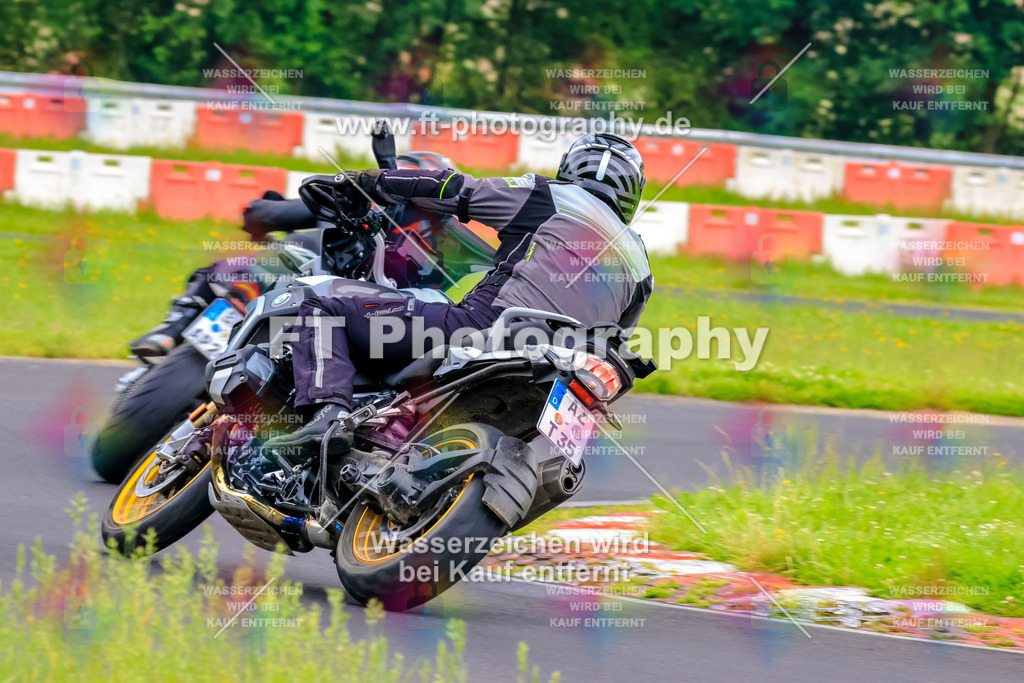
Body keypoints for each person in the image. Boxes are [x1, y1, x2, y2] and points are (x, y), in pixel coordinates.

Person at [265, 132, 654, 456]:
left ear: (568, 168)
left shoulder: (547, 195)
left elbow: (452, 188)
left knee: (324, 306)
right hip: (562, 377)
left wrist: (367, 181)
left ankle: (327, 416)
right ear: (632, 195)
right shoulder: (642, 269)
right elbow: (613, 338)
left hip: (484, 330)